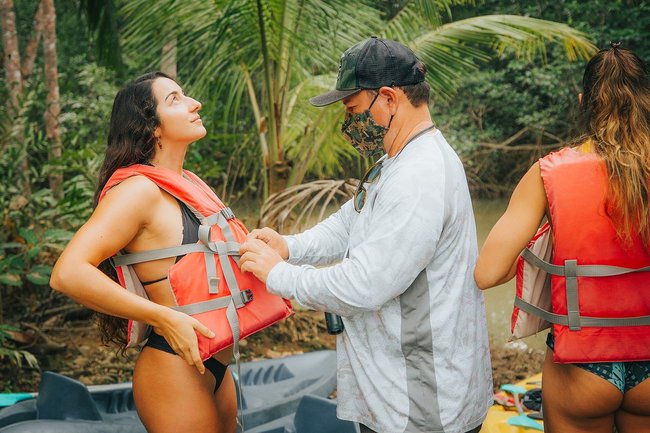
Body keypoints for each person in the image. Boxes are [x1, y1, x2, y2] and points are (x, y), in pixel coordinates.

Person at [240, 36, 493, 433]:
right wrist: (290, 246)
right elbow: (348, 222)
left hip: (422, 404)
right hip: (396, 392)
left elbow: (364, 285)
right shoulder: (396, 162)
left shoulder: (418, 176)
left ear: (389, 99)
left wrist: (278, 275)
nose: (348, 121)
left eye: (353, 108)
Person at [474, 44, 650, 433]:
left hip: (583, 367)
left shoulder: (548, 174)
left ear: (583, 101)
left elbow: (487, 273)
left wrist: (548, 247)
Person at [50, 72, 237, 433]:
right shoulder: (139, 191)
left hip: (215, 362)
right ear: (152, 127)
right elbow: (68, 272)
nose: (194, 104)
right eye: (175, 99)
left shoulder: (190, 183)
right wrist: (166, 318)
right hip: (174, 367)